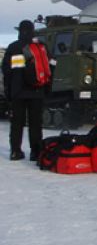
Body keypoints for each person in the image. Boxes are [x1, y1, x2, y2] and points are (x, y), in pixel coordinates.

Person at [1, 20, 53, 161]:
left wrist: (8, 90)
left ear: (19, 31)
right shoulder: (41, 47)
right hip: (37, 91)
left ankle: (15, 151)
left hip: (18, 92)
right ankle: (35, 152)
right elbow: (51, 67)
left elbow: (7, 71)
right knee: (35, 123)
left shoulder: (13, 48)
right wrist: (47, 88)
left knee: (17, 123)